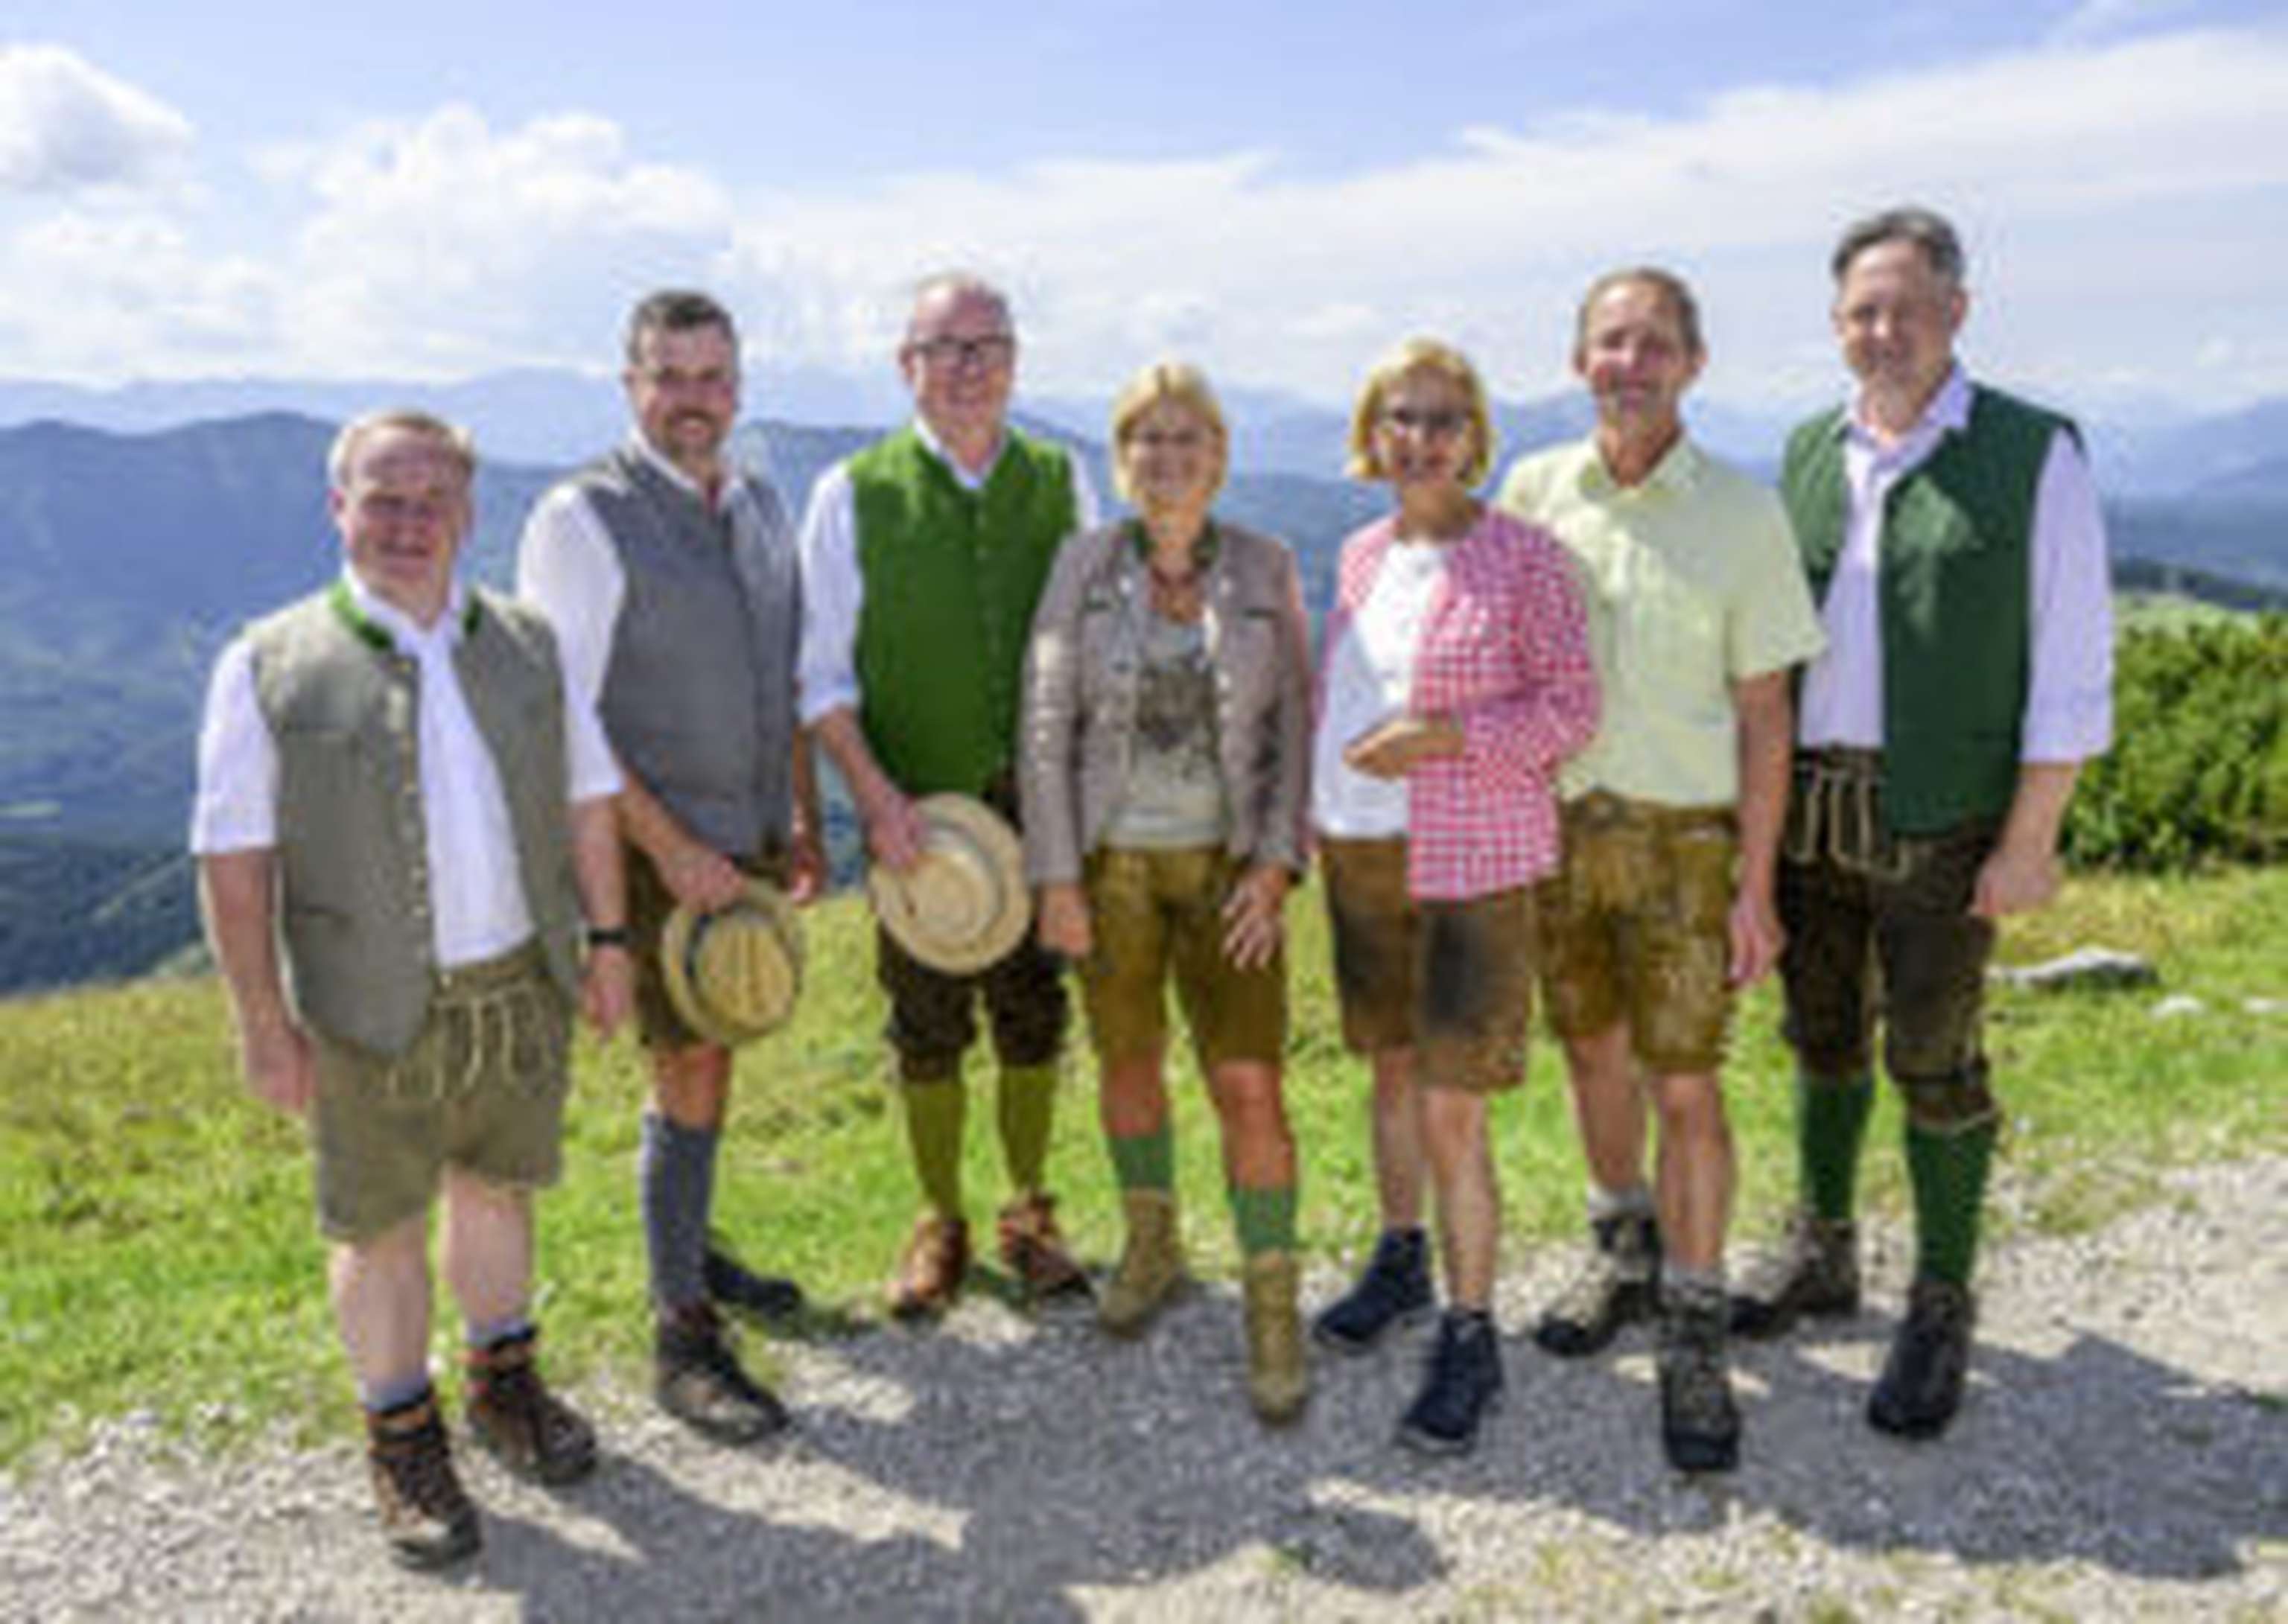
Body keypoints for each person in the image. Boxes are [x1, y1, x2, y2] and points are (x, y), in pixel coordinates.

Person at [194, 410, 631, 1567]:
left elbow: (588, 798)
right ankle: (400, 1433)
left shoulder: (528, 641)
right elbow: (234, 861)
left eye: (432, 499)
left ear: (468, 513)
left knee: (499, 1190)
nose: (408, 521)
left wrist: (611, 940)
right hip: (363, 1001)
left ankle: (504, 1381)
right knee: (378, 1220)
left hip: (518, 977)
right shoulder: (268, 662)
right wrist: (261, 1022)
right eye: (382, 498)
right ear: (338, 507)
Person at [1732, 206, 2114, 1440]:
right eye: (1862, 311)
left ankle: (1943, 1299)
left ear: (1957, 310)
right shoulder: (1808, 450)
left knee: (1937, 1059)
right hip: (1811, 803)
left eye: (1906, 307)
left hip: (1946, 814)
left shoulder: (2031, 451)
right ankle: (1825, 1249)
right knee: (1821, 1034)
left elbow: (2073, 658)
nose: (1883, 330)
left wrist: (2031, 834)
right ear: (1836, 323)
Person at [1496, 268, 1825, 1472]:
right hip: (1558, 834)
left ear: (1693, 363)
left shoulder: (1743, 513)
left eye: (1653, 343)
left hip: (1689, 844)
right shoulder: (1531, 493)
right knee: (1592, 1052)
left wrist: (1757, 886)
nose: (1628, 363)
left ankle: (1693, 1318)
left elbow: (1768, 717)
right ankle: (1623, 1251)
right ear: (1578, 359)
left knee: (1685, 1083)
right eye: (1610, 341)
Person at [517, 290, 821, 1445]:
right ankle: (680, 1334)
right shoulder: (580, 517)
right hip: (648, 844)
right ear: (631, 385)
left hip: (744, 831)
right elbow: (564, 714)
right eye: (670, 377)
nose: (694, 399)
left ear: (737, 386)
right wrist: (671, 846)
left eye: (713, 376)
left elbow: (785, 669)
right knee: (686, 1059)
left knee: (717, 1042)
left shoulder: (757, 501)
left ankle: (692, 1247)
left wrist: (799, 811)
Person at [1309, 337, 1598, 1454]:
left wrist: (1444, 738)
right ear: (1371, 436)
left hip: (1475, 863)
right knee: (1390, 1072)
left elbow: (1571, 710)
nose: (1421, 439)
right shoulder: (1359, 553)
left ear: (1475, 436)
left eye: (1442, 419)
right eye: (1400, 418)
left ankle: (1472, 1334)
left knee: (1449, 1104)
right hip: (1361, 851)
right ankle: (1402, 1257)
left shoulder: (1526, 558)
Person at [799, 271, 1102, 1317]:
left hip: (1035, 802)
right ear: (907, 366)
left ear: (1014, 362)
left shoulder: (1062, 479)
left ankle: (1029, 1213)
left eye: (989, 346)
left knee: (1035, 1012)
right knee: (924, 1026)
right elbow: (820, 677)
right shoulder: (852, 494)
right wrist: (875, 798)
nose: (970, 367)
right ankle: (940, 1219)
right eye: (946, 348)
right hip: (914, 807)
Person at [1020, 361, 1313, 1421]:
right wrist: (1056, 874)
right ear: (1122, 458)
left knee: (1250, 1083)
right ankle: (1154, 1244)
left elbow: (1296, 731)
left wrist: (1276, 864)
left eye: (1189, 438)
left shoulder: (1266, 566)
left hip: (1229, 873)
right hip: (1113, 870)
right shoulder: (1083, 564)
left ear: (1219, 456)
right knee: (1129, 1062)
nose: (1168, 457)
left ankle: (1272, 1298)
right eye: (1148, 439)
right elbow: (1044, 724)